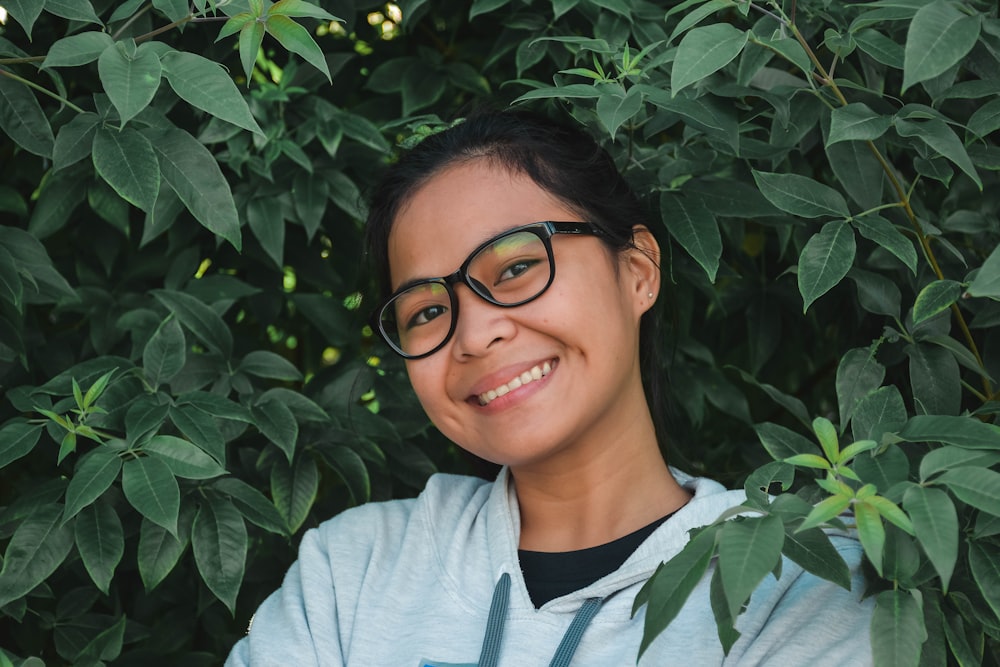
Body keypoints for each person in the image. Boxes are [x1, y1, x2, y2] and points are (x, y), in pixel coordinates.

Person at [225, 110, 872, 666]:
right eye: (426, 312)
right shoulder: (355, 572)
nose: (473, 335)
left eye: (516, 267)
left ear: (638, 271)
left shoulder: (799, 580)